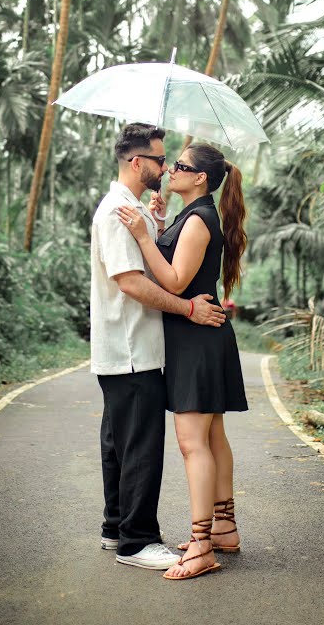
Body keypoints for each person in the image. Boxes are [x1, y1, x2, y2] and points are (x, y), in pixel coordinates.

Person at [90, 123, 227, 571]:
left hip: (132, 346)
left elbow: (162, 261)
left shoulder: (136, 209)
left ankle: (116, 529)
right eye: (161, 160)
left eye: (174, 162)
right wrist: (189, 310)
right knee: (141, 447)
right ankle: (137, 541)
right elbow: (132, 282)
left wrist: (157, 221)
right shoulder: (117, 211)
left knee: (119, 444)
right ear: (137, 163)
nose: (166, 167)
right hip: (132, 347)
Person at [115, 142, 248, 581]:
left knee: (193, 444)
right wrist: (156, 221)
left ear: (200, 178)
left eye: (181, 166)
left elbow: (172, 281)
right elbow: (175, 266)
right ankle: (223, 527)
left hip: (195, 341)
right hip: (200, 339)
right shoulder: (193, 215)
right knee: (212, 438)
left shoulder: (198, 220)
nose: (171, 168)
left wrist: (140, 235)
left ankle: (202, 544)